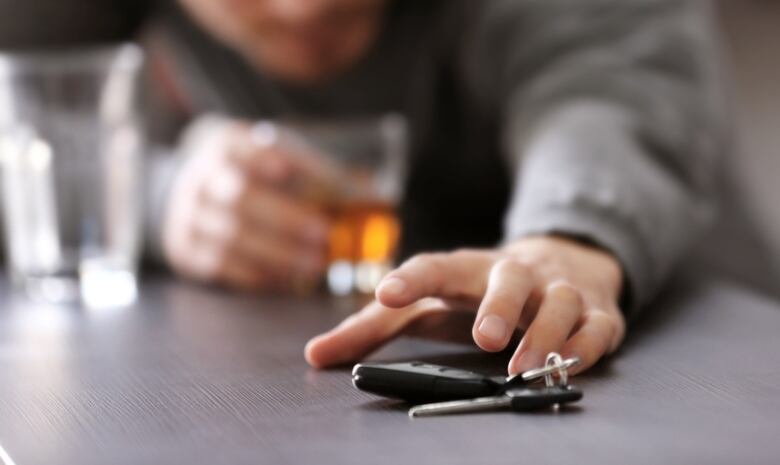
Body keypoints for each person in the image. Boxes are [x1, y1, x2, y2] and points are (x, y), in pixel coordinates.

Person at [0, 0, 723, 376]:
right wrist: (158, 196)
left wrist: (574, 236)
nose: (305, 11)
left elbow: (609, 85)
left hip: (689, 327)